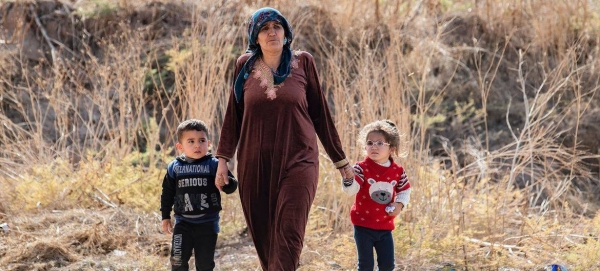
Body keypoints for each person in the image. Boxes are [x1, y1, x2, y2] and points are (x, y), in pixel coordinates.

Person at [213, 7, 354, 271]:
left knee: (289, 234)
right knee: (266, 242)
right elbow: (233, 115)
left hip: (299, 160)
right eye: (265, 29)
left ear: (286, 33)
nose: (271, 33)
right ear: (255, 36)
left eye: (277, 27)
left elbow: (321, 115)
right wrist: (223, 160)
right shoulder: (244, 66)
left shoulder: (303, 62)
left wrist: (341, 161)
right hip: (255, 165)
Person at [160, 119, 238, 271]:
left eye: (202, 140)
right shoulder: (174, 168)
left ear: (208, 143)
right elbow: (167, 194)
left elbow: (232, 186)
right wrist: (165, 216)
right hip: (183, 224)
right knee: (177, 262)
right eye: (191, 141)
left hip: (208, 224)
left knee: (204, 265)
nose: (197, 145)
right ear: (180, 146)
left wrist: (225, 182)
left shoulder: (214, 165)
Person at [341, 120, 412, 271]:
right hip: (363, 225)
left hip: (385, 226)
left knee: (387, 265)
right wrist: (348, 178)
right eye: (370, 142)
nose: (374, 146)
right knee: (365, 265)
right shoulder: (361, 168)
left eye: (380, 143)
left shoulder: (398, 171)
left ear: (391, 148)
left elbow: (404, 190)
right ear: (365, 146)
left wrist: (399, 205)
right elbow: (351, 190)